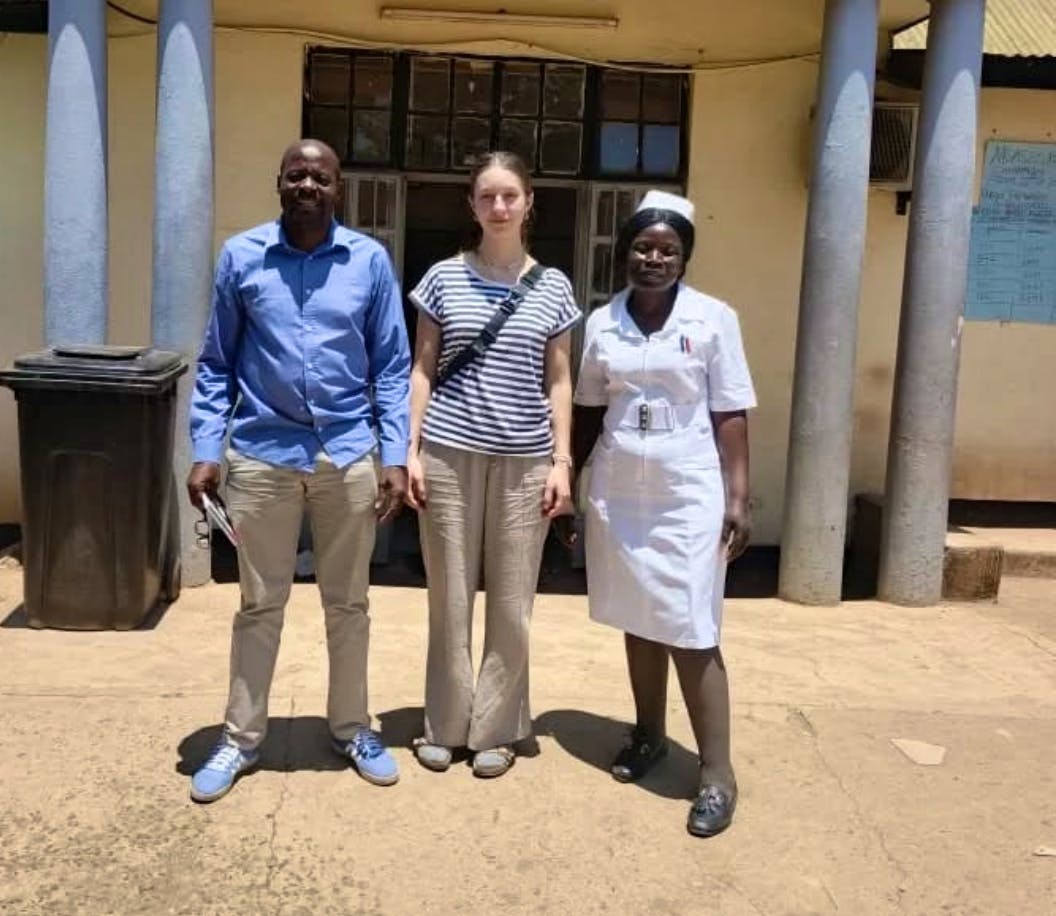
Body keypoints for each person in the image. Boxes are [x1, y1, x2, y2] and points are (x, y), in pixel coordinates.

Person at [185, 139, 411, 802]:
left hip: (348, 455)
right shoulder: (242, 258)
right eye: (296, 173)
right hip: (261, 455)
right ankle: (240, 738)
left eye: (320, 175)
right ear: (279, 182)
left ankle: (351, 728)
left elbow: (392, 367)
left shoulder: (367, 261)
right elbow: (218, 362)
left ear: (338, 188)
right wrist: (205, 447)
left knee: (349, 603)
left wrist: (394, 454)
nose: (308, 183)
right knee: (260, 604)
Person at [571, 191, 756, 837]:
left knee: (692, 626)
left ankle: (716, 774)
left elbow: (730, 410)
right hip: (620, 486)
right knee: (636, 615)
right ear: (626, 252)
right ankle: (647, 736)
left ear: (684, 257)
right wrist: (571, 482)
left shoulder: (713, 320)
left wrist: (737, 496)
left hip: (687, 489)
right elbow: (589, 411)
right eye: (644, 247)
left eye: (668, 250)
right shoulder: (601, 323)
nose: (654, 258)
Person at [405, 151, 580, 778]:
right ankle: (445, 724)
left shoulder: (554, 286)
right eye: (487, 196)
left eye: (510, 195)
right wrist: (411, 449)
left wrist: (563, 461)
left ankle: (498, 728)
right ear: (472, 206)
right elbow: (422, 367)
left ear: (530, 202)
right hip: (449, 454)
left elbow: (559, 379)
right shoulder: (443, 278)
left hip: (527, 459)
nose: (499, 207)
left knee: (512, 603)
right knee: (448, 596)